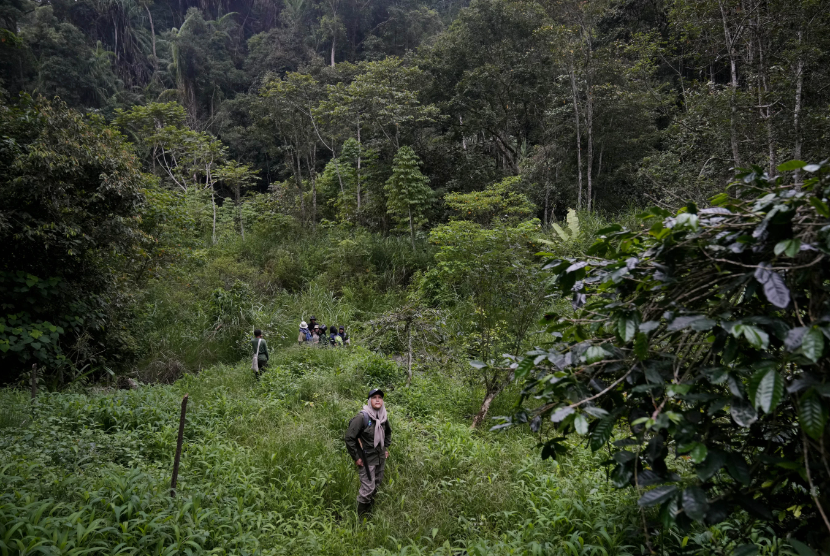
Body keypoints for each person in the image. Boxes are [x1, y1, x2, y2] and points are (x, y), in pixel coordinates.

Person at [344, 389, 391, 519]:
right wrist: (356, 457)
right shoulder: (362, 417)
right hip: (366, 459)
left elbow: (388, 432)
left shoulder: (383, 417)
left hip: (380, 458)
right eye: (374, 397)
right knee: (367, 489)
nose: (377, 399)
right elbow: (349, 437)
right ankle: (361, 520)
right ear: (369, 401)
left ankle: (369, 512)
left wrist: (385, 448)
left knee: (376, 485)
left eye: (380, 397)